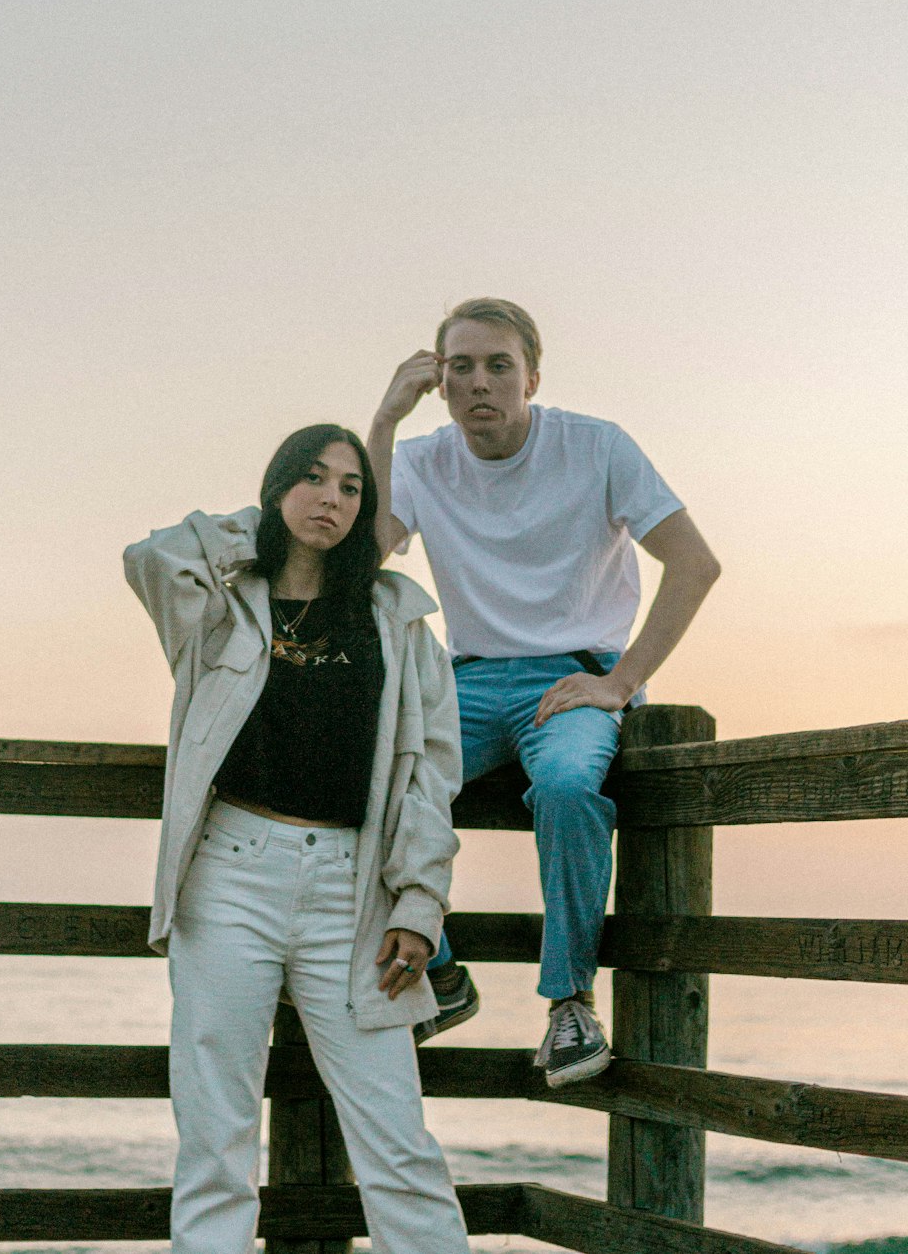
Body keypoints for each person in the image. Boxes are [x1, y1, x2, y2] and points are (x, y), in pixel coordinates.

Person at [123, 424, 469, 1254]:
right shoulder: (216, 604)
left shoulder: (397, 622)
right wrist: (270, 530)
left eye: (352, 489)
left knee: (397, 1143)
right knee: (217, 1141)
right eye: (312, 480)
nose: (332, 499)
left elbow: (430, 777)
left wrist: (420, 903)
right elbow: (150, 554)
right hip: (229, 878)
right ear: (276, 487)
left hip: (353, 893)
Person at [368, 299, 721, 1088]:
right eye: (460, 366)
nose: (479, 382)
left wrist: (620, 682)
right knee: (369, 770)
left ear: (533, 375)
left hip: (573, 677)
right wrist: (385, 425)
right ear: (438, 379)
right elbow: (363, 562)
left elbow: (695, 563)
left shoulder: (595, 447)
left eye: (498, 365)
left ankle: (569, 1003)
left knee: (565, 787)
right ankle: (444, 977)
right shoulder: (423, 459)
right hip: (469, 679)